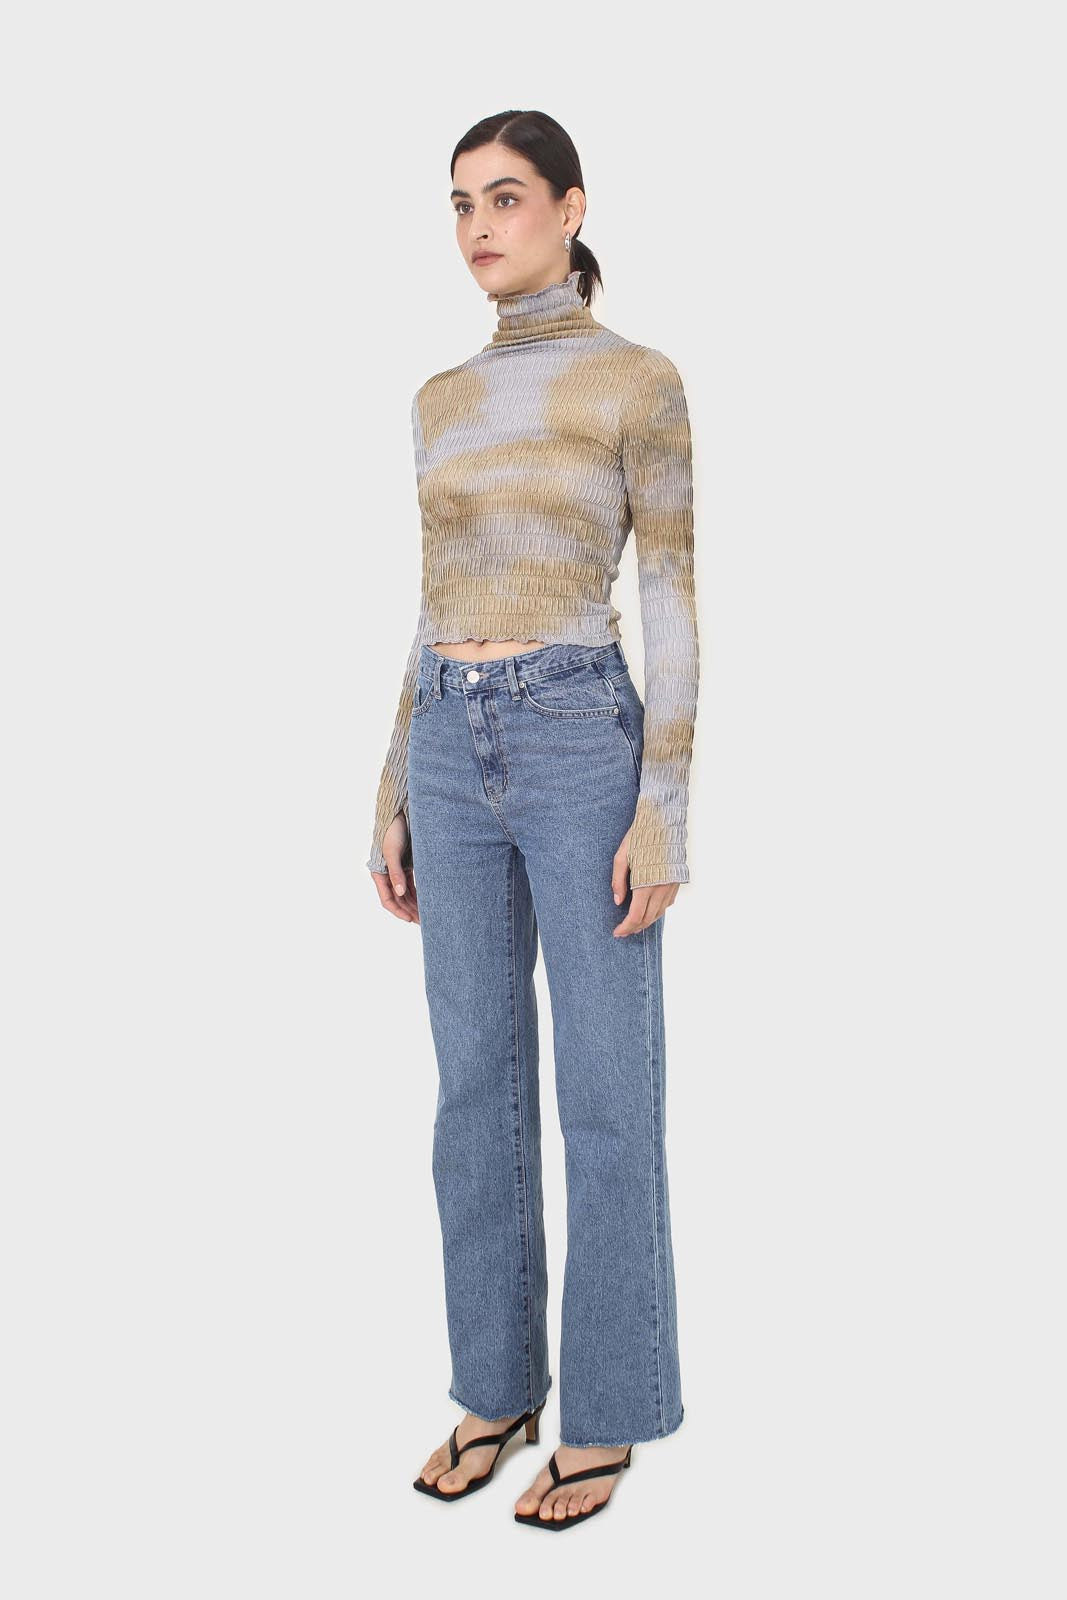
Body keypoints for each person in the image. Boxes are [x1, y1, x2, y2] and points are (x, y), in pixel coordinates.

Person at [367, 109, 699, 1530]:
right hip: (452, 741)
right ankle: (496, 1389)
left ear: (570, 209)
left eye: (505, 198)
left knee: (607, 1092)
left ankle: (609, 1410)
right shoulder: (440, 398)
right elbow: (433, 600)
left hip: (577, 737)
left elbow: (672, 598)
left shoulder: (637, 381)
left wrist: (664, 803)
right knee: (474, 1090)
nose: (478, 227)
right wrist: (395, 775)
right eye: (460, 203)